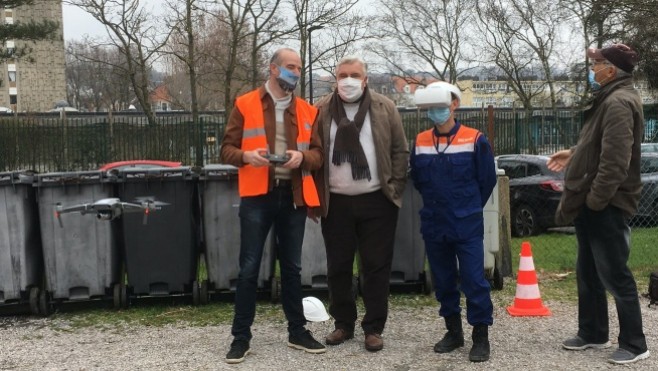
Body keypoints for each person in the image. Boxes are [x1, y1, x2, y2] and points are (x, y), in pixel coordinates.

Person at [219, 47, 326, 364]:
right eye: (291, 66)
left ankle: (298, 332)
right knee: (249, 268)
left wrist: (302, 158)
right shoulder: (245, 104)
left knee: (292, 268)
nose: (296, 71)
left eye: (299, 67)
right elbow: (226, 150)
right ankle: (241, 338)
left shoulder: (308, 110)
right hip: (257, 196)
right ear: (274, 69)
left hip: (292, 195)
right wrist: (246, 156)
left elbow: (318, 155)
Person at [548, 43, 649, 365]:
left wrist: (596, 201)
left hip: (605, 202)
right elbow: (597, 145)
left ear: (612, 69)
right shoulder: (609, 98)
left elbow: (616, 161)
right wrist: (573, 153)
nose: (593, 70)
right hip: (591, 200)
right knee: (588, 271)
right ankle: (593, 332)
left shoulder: (619, 101)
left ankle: (634, 344)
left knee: (615, 273)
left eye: (598, 64)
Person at [311, 56, 409, 352]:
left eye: (355, 74)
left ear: (365, 79)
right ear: (335, 78)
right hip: (336, 202)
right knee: (338, 266)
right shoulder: (321, 109)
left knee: (376, 267)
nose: (349, 80)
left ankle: (374, 327)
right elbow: (314, 150)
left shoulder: (384, 107)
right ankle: (343, 323)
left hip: (377, 201)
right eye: (343, 74)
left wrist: (394, 188)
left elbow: (399, 150)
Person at [409, 81, 497, 362]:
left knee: (473, 280)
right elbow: (419, 181)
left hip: (466, 224)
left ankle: (480, 336)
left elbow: (487, 180)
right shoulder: (421, 141)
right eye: (431, 107)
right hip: (435, 223)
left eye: (441, 105)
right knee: (444, 280)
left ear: (454, 105)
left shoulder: (475, 139)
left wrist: (468, 207)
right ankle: (453, 331)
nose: (436, 111)